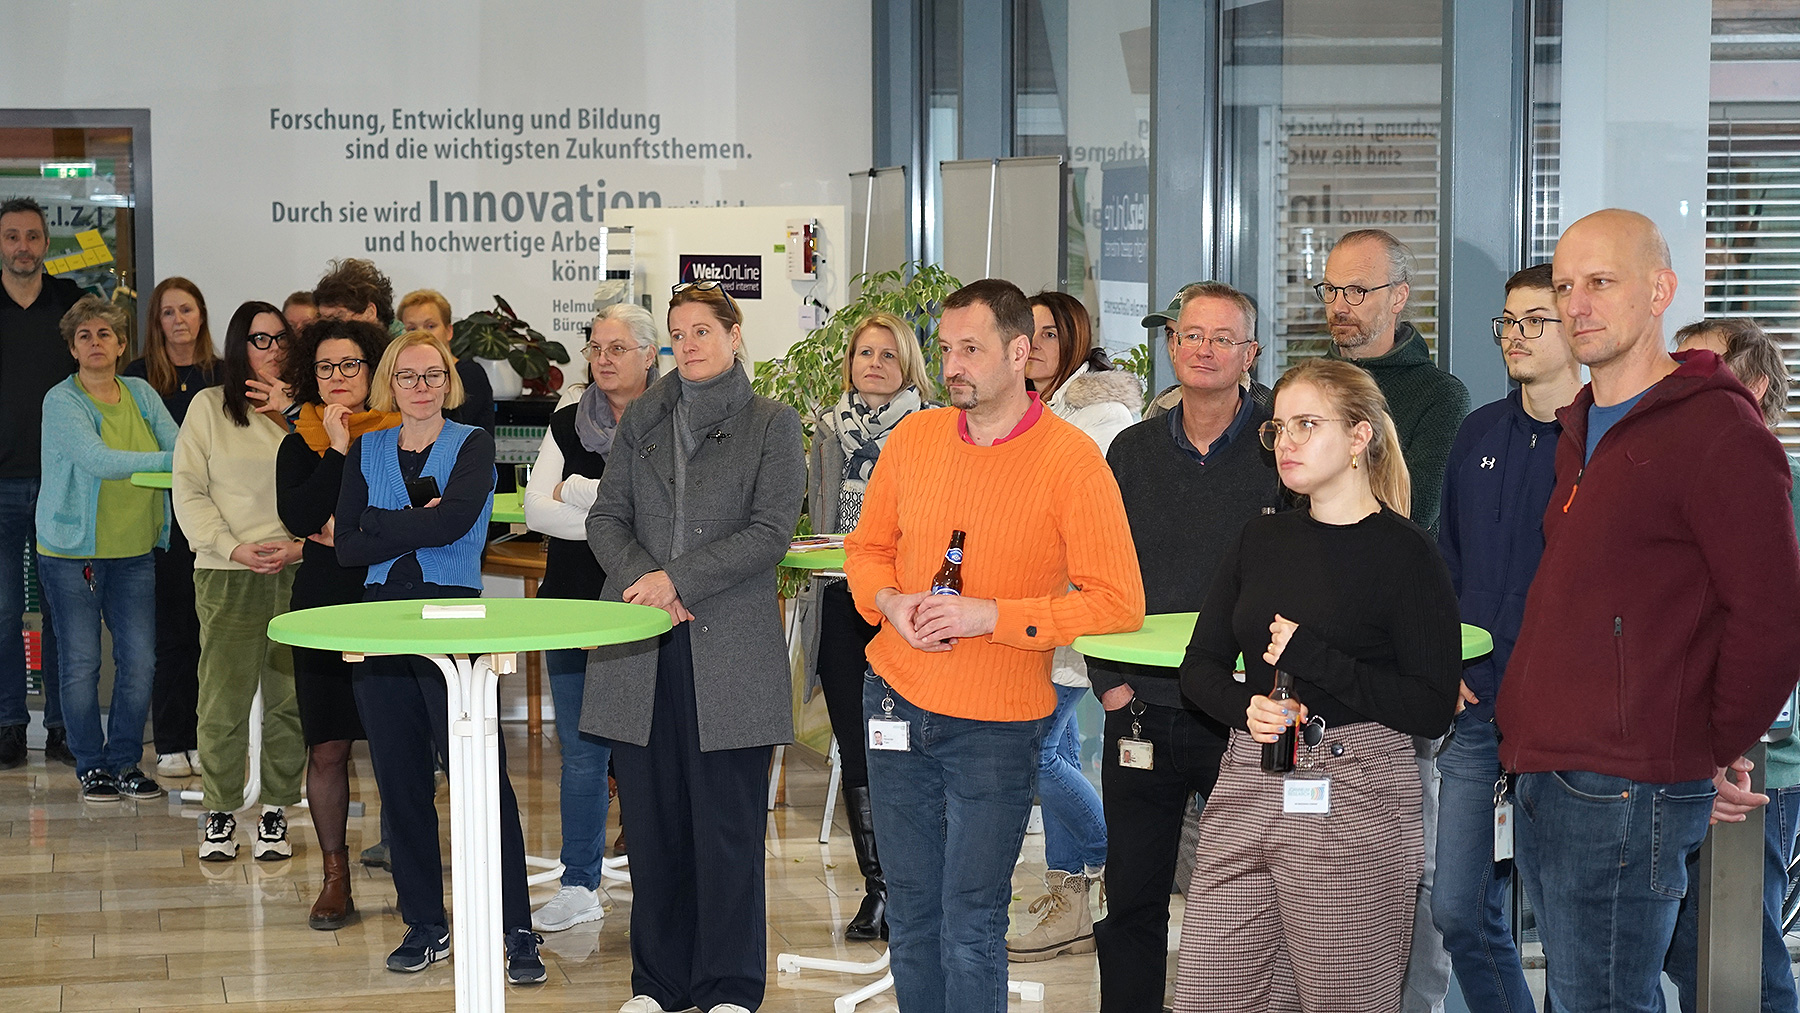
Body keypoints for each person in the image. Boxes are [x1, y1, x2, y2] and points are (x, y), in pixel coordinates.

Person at [1496, 209, 1800, 1013]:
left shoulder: (1717, 428)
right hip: (1546, 766)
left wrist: (1709, 744)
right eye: (1566, 285)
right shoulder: (1580, 425)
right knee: (1581, 998)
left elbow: (1771, 619)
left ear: (1661, 291)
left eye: (1601, 282)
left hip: (1627, 783)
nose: (1577, 305)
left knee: (1602, 1002)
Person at [843, 278, 1145, 1013]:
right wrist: (890, 602)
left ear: (1019, 352)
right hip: (893, 699)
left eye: (970, 350)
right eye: (946, 349)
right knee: (913, 914)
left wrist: (993, 617)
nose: (952, 366)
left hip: (998, 722)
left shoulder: (1072, 460)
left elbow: (1118, 602)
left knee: (970, 924)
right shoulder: (914, 439)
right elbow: (867, 550)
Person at [1172, 357, 1461, 1012]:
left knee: (1342, 998)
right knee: (1209, 993)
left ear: (1360, 436)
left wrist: (1315, 658)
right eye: (1278, 428)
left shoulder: (1406, 552)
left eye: (1308, 424)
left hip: (1355, 791)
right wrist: (1247, 708)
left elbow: (1430, 707)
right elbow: (1200, 668)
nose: (1288, 442)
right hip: (1248, 780)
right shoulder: (1260, 537)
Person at [584, 281, 803, 1013]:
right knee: (653, 827)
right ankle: (659, 985)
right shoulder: (644, 416)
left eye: (702, 330)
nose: (689, 344)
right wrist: (647, 581)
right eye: (678, 333)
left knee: (727, 828)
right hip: (641, 644)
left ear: (734, 335)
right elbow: (606, 519)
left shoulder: (773, 423)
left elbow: (771, 533)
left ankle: (729, 987)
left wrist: (676, 580)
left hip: (729, 650)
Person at [1087, 281, 1280, 1013]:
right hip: (1141, 708)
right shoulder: (1132, 452)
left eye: (1222, 338)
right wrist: (1109, 681)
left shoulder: (1280, 447)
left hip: (1243, 714)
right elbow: (1097, 570)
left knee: (1250, 900)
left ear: (1250, 353)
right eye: (1191, 335)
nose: (1204, 350)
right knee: (1132, 897)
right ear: (1171, 345)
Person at [333, 329, 544, 985]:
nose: (420, 387)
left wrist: (379, 521)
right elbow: (346, 548)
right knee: (400, 785)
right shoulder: (366, 448)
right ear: (389, 384)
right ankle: (425, 923)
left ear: (448, 382)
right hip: (380, 623)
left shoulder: (472, 443)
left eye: (432, 375)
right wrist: (409, 521)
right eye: (407, 376)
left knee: (482, 781)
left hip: (453, 616)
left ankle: (516, 927)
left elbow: (452, 525)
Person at [1317, 227, 1469, 1013]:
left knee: (1415, 864)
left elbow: (1415, 516)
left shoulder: (1437, 397)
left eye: (1358, 290)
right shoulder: (1307, 385)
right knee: (1316, 856)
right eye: (1331, 290)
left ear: (1400, 297)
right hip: (1311, 662)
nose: (1340, 305)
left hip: (1398, 662)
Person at [1430, 263, 1582, 1013]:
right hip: (1474, 706)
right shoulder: (1479, 429)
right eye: (1508, 323)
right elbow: (1447, 559)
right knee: (1457, 908)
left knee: (1566, 930)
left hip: (1563, 722)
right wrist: (1448, 660)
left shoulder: (1600, 438)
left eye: (1534, 322)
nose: (1515, 336)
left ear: (1576, 330)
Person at [1662, 316, 1800, 1013]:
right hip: (1681, 758)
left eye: (1702, 368)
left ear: (1755, 386)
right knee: (1691, 952)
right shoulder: (1675, 484)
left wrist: (1735, 739)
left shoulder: (1783, 488)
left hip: (1758, 763)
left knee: (1740, 958)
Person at [1007, 290, 1141, 963]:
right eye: (1026, 333)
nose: (1034, 346)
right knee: (1054, 748)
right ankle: (1071, 901)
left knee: (1032, 752)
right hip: (1027, 615)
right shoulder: (1033, 409)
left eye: (1049, 335)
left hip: (1074, 613)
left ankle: (1107, 856)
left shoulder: (1103, 418)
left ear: (1076, 340)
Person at [520, 303, 658, 934]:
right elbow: (537, 512)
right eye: (596, 348)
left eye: (617, 348)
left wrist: (578, 492)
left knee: (648, 753)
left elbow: (668, 517)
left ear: (650, 355)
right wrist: (616, 516)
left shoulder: (676, 420)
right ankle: (579, 883)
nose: (603, 359)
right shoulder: (568, 421)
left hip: (647, 609)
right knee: (581, 754)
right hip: (572, 605)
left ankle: (661, 882)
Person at [804, 310, 936, 942]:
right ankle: (878, 889)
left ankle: (917, 890)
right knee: (856, 744)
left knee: (909, 746)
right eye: (864, 353)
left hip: (907, 609)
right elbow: (818, 513)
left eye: (888, 354)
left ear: (908, 365)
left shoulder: (934, 429)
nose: (875, 364)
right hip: (839, 601)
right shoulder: (827, 430)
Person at [274, 315, 396, 930]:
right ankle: (334, 877)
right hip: (322, 604)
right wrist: (339, 450)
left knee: (401, 744)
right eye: (325, 367)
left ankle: (413, 870)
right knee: (326, 747)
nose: (338, 376)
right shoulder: (299, 442)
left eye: (350, 364)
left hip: (389, 600)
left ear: (372, 370)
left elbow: (409, 516)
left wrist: (344, 532)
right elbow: (299, 516)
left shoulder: (398, 433)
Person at [173, 301, 306, 863]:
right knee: (222, 701)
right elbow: (188, 489)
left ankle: (276, 807)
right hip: (228, 570)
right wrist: (232, 546)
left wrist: (300, 546)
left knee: (290, 700)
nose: (272, 349)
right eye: (259, 339)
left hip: (297, 568)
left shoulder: (307, 410)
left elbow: (335, 482)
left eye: (280, 338)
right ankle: (221, 809)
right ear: (237, 346)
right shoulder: (208, 407)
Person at [36, 295, 177, 801]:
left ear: (121, 345)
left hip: (135, 548)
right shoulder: (62, 401)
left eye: (105, 334)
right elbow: (98, 459)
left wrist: (176, 457)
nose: (95, 343)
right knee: (81, 664)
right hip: (72, 553)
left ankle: (124, 762)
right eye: (84, 336)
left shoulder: (141, 392)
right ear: (73, 349)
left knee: (140, 662)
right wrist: (169, 462)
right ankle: (91, 765)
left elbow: (179, 443)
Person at [123, 276, 220, 780]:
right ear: (155, 322)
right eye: (168, 312)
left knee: (210, 636)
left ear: (201, 315)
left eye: (187, 309)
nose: (179, 320)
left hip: (215, 522)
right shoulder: (137, 378)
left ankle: (205, 738)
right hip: (163, 524)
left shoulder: (223, 374)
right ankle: (170, 741)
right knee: (172, 635)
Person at [0, 196, 82, 769]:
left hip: (62, 485)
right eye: (12, 236)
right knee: (4, 613)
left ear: (46, 243)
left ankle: (62, 727)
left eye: (32, 236)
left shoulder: (71, 304)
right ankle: (9, 725)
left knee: (62, 612)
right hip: (0, 485)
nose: (23, 247)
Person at [398, 287, 495, 433]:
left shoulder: (470, 374)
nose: (421, 334)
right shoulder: (399, 378)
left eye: (430, 326)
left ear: (449, 331)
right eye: (411, 329)